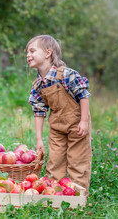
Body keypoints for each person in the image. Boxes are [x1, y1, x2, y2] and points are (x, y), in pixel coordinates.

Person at [26, 35, 92, 192]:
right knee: (54, 162)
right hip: (57, 127)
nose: (28, 55)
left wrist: (84, 121)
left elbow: (83, 95)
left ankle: (78, 194)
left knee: (78, 160)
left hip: (77, 125)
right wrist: (39, 139)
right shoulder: (38, 84)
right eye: (26, 52)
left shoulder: (66, 75)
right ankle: (54, 194)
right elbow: (39, 111)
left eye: (32, 51)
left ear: (48, 53)